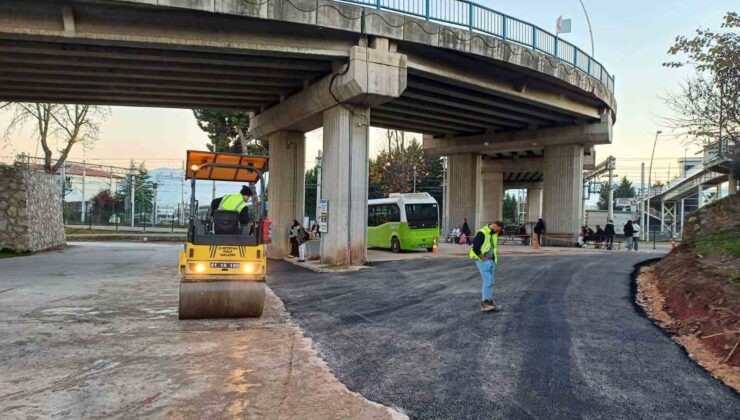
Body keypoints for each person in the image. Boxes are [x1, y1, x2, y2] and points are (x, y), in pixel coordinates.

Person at [470, 221, 504, 312]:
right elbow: (475, 248)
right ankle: (484, 303)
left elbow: (492, 245)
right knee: (487, 281)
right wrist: (484, 259)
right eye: (498, 230)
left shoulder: (493, 233)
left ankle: (489, 302)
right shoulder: (482, 232)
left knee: (491, 282)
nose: (498, 232)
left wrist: (492, 261)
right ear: (494, 225)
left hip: (491, 261)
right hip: (483, 260)